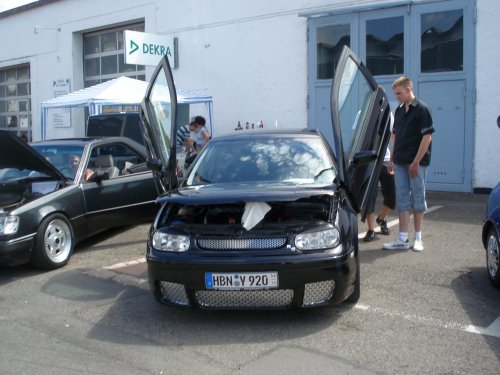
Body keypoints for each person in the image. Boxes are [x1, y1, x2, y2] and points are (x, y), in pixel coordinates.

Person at [383, 76, 434, 252]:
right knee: (402, 198)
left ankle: (417, 238)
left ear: (408, 90)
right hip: (399, 161)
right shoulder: (398, 111)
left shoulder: (422, 109)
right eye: (395, 94)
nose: (396, 96)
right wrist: (392, 158)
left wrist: (416, 161)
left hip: (417, 163)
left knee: (418, 198)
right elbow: (395, 135)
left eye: (398, 93)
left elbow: (427, 137)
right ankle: (402, 238)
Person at [363, 145, 396, 242]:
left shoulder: (388, 128)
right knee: (370, 196)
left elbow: (394, 140)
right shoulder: (364, 128)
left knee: (391, 194)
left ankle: (381, 219)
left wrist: (392, 160)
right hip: (369, 162)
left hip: (385, 161)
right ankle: (370, 230)